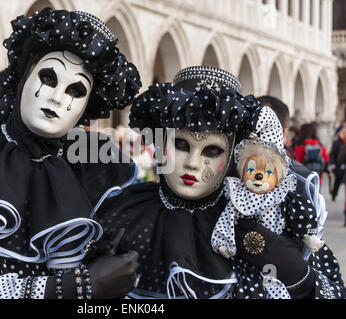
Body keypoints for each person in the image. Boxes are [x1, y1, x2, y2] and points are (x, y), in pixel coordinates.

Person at [0, 8, 142, 299]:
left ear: (86, 111)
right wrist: (76, 287)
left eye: (76, 91)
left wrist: (93, 261)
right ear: (24, 76)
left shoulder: (87, 171)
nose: (57, 98)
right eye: (48, 77)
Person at [94, 66, 345, 299]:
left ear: (232, 156)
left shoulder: (257, 218)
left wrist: (297, 275)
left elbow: (332, 290)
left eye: (211, 151)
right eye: (181, 145)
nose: (193, 163)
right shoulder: (121, 210)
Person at [329, 127, 346, 201]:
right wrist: (332, 164)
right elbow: (332, 154)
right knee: (337, 180)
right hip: (338, 165)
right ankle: (334, 194)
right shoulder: (336, 143)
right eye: (344, 133)